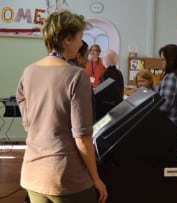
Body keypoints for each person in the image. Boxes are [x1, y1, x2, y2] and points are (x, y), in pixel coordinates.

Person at [16, 10, 107, 203]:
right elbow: (82, 138)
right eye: (80, 38)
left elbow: (29, 123)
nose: (81, 44)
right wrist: (96, 179)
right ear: (67, 39)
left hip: (32, 175)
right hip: (65, 177)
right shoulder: (77, 75)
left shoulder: (28, 72)